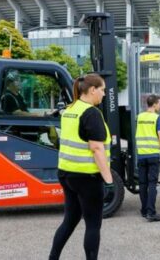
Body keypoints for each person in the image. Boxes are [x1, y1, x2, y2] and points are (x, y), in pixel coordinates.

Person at [49, 74, 113, 260]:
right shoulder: (91, 113)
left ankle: (52, 258)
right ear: (92, 90)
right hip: (87, 177)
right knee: (93, 225)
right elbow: (96, 148)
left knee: (70, 220)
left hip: (66, 173)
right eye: (102, 90)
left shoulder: (70, 109)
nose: (103, 94)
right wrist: (108, 180)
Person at [136, 94, 160, 222]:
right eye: (159, 103)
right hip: (153, 155)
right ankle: (151, 212)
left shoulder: (139, 117)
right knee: (152, 184)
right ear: (154, 104)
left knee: (143, 184)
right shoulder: (157, 118)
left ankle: (144, 210)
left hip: (141, 155)